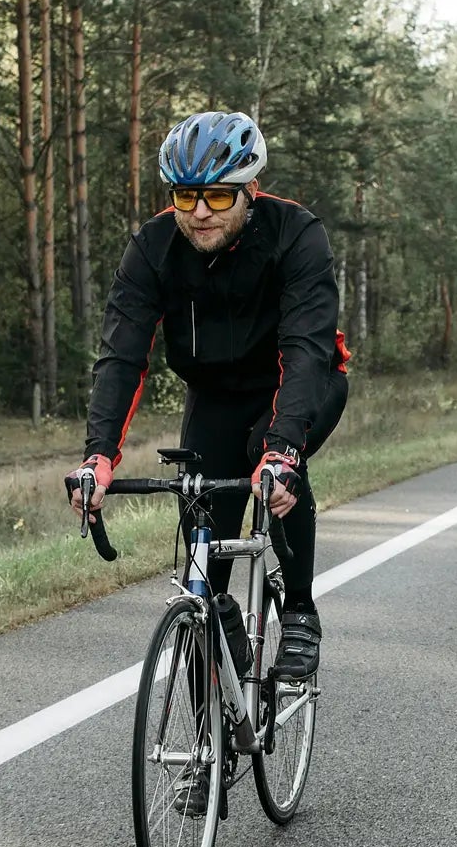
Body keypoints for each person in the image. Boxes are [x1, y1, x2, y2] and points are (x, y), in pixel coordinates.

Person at [69, 109, 350, 691]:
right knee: (202, 565)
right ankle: (205, 763)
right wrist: (98, 456)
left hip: (302, 383)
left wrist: (283, 452)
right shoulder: (152, 247)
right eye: (186, 196)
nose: (199, 213)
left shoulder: (296, 234)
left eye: (218, 198)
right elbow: (122, 356)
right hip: (214, 396)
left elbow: (304, 350)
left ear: (250, 190)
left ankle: (298, 610)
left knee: (267, 463)